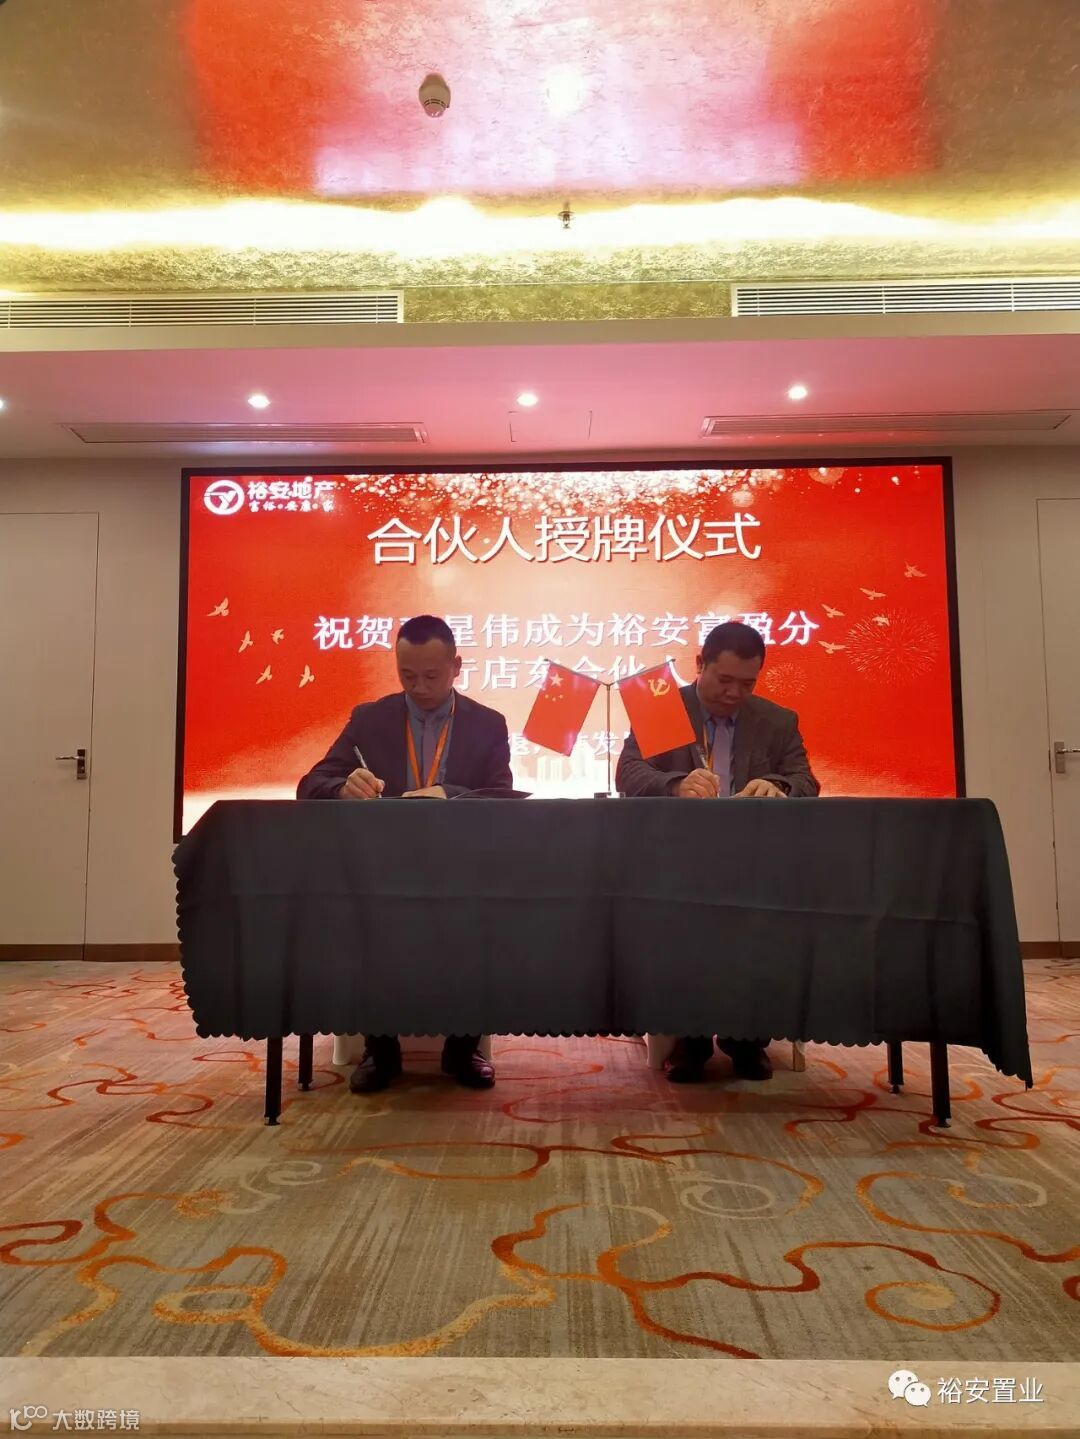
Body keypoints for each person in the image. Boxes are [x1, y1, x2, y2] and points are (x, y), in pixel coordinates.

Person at [297, 614, 513, 1094]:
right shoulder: (369, 719)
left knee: (482, 923)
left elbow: (501, 795)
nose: (419, 687)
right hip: (385, 870)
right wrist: (342, 787)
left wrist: (448, 792)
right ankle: (381, 1051)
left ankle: (463, 1049)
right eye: (407, 675)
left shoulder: (487, 724)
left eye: (431, 676)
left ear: (456, 666)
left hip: (460, 869)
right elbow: (311, 782)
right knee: (367, 922)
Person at [616, 620, 820, 1085]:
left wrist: (778, 785)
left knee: (760, 936)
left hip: (753, 864)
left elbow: (806, 781)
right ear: (700, 665)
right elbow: (629, 773)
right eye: (724, 680)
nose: (734, 693)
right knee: (683, 935)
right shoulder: (664, 708)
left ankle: (746, 1040)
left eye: (747, 684)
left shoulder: (775, 720)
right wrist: (675, 784)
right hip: (676, 860)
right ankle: (691, 1040)